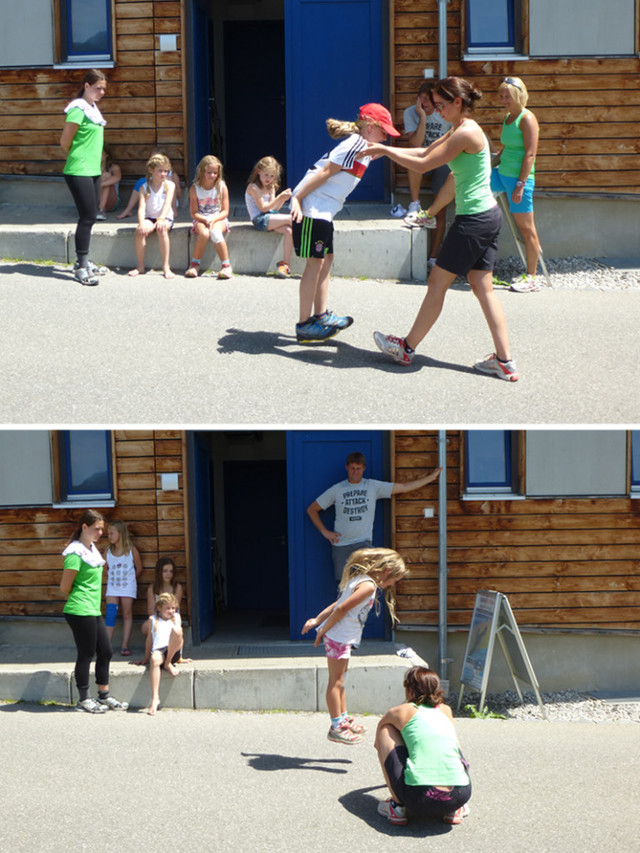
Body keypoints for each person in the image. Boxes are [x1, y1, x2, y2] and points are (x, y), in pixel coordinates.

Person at [365, 77, 519, 383]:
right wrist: (431, 212)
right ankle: (505, 362)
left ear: (458, 102)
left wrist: (383, 152)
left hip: (474, 221)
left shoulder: (467, 133)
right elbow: (424, 155)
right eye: (435, 106)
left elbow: (423, 166)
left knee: (437, 283)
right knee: (481, 286)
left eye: (441, 105)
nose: (437, 111)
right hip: (487, 216)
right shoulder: (459, 129)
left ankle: (406, 348)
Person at [290, 104, 400, 343]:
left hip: (325, 212)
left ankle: (320, 316)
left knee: (326, 260)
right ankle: (304, 324)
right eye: (384, 132)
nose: (386, 137)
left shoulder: (364, 146)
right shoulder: (356, 144)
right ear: (370, 127)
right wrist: (297, 198)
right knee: (314, 264)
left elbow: (385, 151)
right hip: (313, 208)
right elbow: (324, 172)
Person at [302, 547, 408, 744]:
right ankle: (336, 727)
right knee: (336, 681)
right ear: (386, 571)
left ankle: (343, 719)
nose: (393, 584)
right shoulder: (368, 586)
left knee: (340, 679)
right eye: (395, 579)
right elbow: (341, 608)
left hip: (343, 637)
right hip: (339, 637)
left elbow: (338, 604)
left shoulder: (361, 580)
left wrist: (317, 620)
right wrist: (322, 629)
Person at [307, 451, 442, 581]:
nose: (355, 472)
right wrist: (324, 532)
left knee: (367, 584)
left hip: (364, 545)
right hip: (342, 545)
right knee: (345, 588)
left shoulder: (372, 486)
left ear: (364, 468)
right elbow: (312, 509)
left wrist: (431, 477)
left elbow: (403, 487)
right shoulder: (337, 489)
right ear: (346, 467)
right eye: (352, 468)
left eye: (358, 468)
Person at [374, 666, 471, 827]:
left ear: (410, 690)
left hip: (419, 797)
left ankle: (397, 808)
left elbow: (378, 742)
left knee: (385, 730)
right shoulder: (445, 710)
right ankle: (454, 810)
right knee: (450, 740)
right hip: (460, 795)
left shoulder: (400, 711)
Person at [59, 509, 128, 713]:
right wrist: (81, 597)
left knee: (106, 651)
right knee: (86, 653)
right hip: (79, 610)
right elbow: (65, 587)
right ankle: (83, 699)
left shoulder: (92, 549)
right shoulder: (74, 553)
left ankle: (103, 696)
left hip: (93, 609)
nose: (100, 533)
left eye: (102, 529)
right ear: (84, 527)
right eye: (97, 529)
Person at [490, 76, 542, 293]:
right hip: (501, 174)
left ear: (519, 95)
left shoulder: (527, 118)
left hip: (520, 180)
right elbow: (507, 149)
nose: (504, 99)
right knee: (467, 183)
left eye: (507, 95)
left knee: (526, 229)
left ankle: (531, 277)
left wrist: (520, 185)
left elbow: (530, 154)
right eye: (501, 95)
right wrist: (489, 165)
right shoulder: (507, 117)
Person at [60, 69, 109, 286]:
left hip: (93, 170)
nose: (101, 92)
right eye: (98, 87)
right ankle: (81, 266)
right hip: (78, 170)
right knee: (87, 216)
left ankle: (84, 261)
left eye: (104, 88)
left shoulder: (93, 109)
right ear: (87, 86)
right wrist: (80, 158)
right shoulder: (78, 109)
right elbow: (65, 142)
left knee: (92, 216)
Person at [402, 81, 452, 270]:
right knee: (413, 158)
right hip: (423, 158)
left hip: (443, 160)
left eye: (428, 98)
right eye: (421, 97)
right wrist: (422, 117)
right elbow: (415, 143)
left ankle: (433, 257)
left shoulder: (444, 115)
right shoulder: (410, 113)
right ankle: (414, 204)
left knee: (440, 211)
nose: (424, 102)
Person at [128, 152, 176, 279]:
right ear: (151, 170)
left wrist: (161, 219)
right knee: (140, 232)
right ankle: (140, 266)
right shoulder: (144, 187)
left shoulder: (169, 185)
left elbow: (167, 205)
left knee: (162, 229)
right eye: (160, 171)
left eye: (166, 171)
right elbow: (141, 208)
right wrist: (141, 223)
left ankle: (166, 266)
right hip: (150, 217)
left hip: (165, 217)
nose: (163, 174)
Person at [136, 592, 184, 715]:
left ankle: (168, 663)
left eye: (173, 608)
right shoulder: (153, 620)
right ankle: (155, 698)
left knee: (177, 629)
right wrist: (146, 658)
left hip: (173, 651)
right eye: (168, 608)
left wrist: (180, 658)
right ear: (159, 608)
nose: (171, 611)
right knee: (155, 659)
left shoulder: (176, 617)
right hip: (160, 650)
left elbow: (179, 637)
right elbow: (149, 640)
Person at [245, 156, 293, 278]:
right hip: (259, 220)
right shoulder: (253, 187)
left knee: (289, 231)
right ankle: (308, 243)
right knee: (291, 219)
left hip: (270, 216)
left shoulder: (271, 186)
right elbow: (263, 208)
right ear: (258, 171)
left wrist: (282, 200)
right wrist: (279, 198)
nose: (269, 179)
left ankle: (285, 264)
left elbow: (273, 209)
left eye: (272, 176)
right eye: (266, 175)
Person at [185, 155, 232, 279]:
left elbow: (225, 211)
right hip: (201, 218)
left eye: (215, 173)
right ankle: (194, 265)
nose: (212, 175)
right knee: (205, 233)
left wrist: (214, 220)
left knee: (215, 232)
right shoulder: (194, 188)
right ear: (202, 172)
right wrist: (205, 220)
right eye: (209, 172)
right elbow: (194, 212)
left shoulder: (221, 187)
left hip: (218, 218)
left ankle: (226, 266)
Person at [104, 519, 143, 656]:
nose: (109, 536)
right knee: (110, 613)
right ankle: (107, 645)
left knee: (127, 613)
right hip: (113, 587)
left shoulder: (131, 550)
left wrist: (130, 579)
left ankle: (124, 646)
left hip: (128, 586)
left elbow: (139, 568)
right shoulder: (108, 551)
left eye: (111, 533)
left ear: (120, 533)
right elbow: (105, 569)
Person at [117, 152, 182, 220]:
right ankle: (128, 209)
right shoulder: (148, 182)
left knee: (170, 184)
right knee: (141, 182)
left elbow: (179, 193)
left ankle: (174, 210)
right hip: (153, 203)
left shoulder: (172, 176)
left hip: (167, 201)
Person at [142, 556, 184, 639]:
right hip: (157, 617)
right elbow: (150, 610)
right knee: (145, 627)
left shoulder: (177, 588)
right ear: (159, 572)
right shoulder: (152, 588)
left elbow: (174, 608)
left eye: (171, 571)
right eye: (165, 571)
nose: (168, 574)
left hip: (172, 617)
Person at [97, 145, 122, 219]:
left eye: (99, 152)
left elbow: (117, 178)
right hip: (95, 199)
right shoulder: (90, 167)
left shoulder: (114, 167)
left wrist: (100, 185)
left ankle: (101, 210)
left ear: (106, 155)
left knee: (106, 176)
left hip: (110, 201)